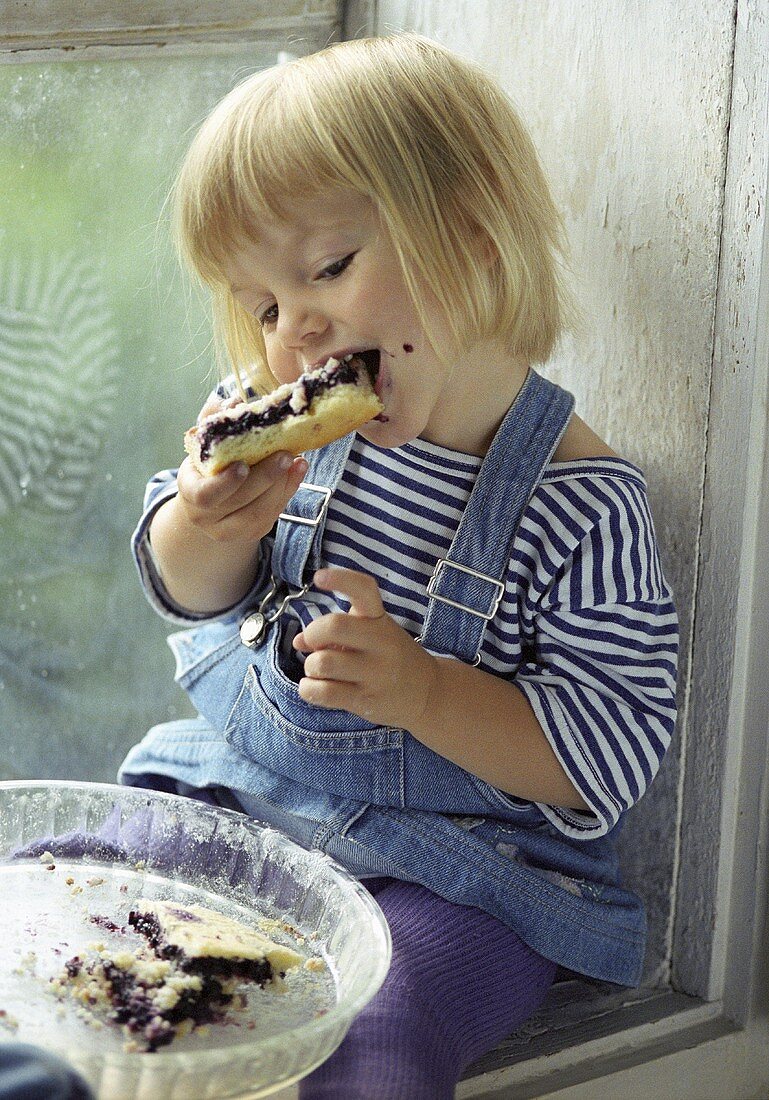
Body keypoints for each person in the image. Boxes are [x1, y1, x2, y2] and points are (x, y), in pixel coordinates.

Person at [120, 33, 679, 1099]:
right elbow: (183, 586)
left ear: (470, 234)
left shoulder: (585, 502)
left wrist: (422, 688)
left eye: (328, 267)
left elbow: (603, 753)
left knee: (378, 1029)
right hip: (251, 794)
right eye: (267, 305)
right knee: (69, 902)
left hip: (462, 876)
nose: (298, 332)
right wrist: (211, 522)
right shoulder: (286, 423)